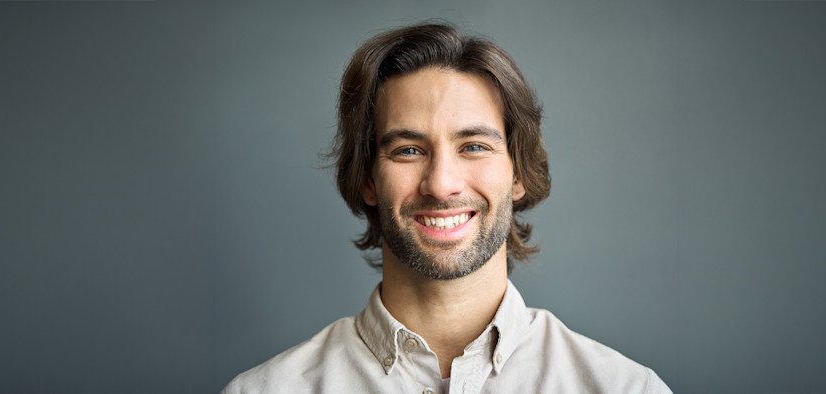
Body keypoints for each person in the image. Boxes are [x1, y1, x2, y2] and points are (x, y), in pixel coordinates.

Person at [222, 22, 672, 394]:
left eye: (474, 146)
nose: (441, 184)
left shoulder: (626, 388)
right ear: (366, 179)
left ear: (518, 175)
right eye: (408, 151)